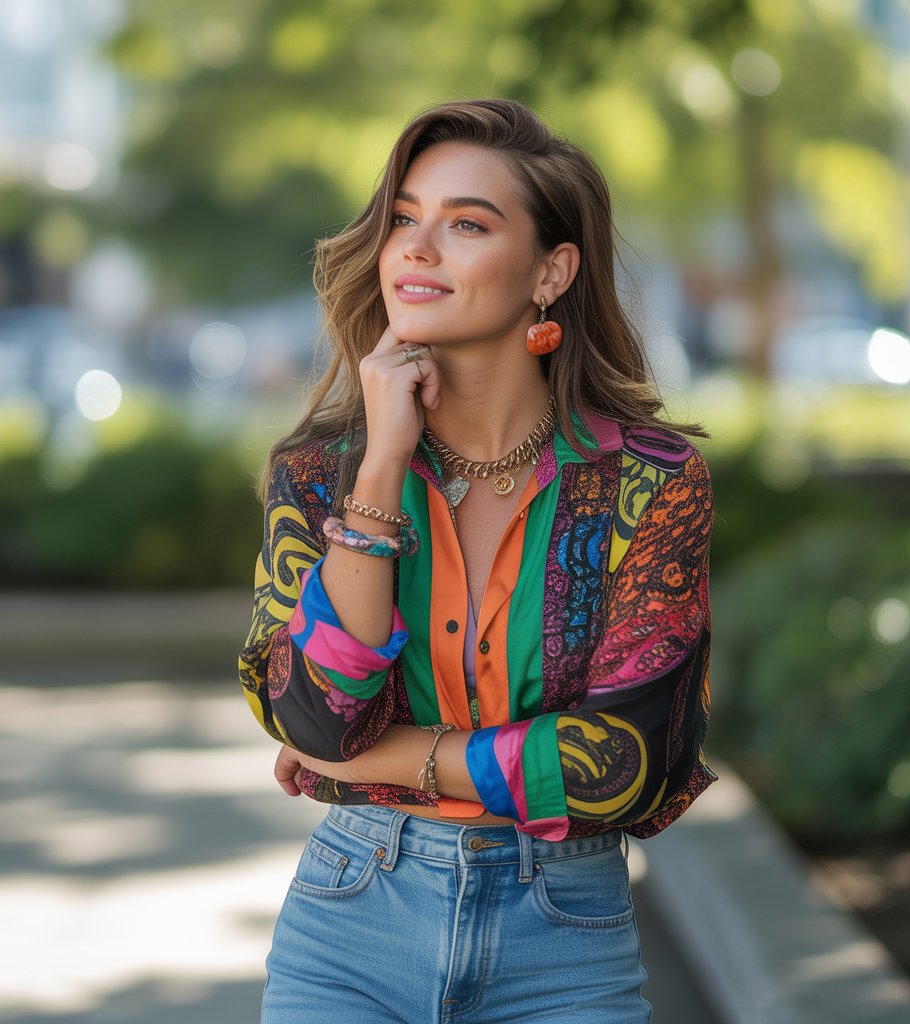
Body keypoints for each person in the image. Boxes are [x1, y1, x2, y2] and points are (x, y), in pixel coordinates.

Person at [238, 98, 715, 1024]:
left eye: (466, 223)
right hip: (350, 925)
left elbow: (621, 763)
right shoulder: (321, 474)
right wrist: (381, 466)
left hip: (564, 940)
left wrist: (375, 759)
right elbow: (310, 713)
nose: (417, 247)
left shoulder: (650, 485)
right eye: (405, 218)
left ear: (552, 271)